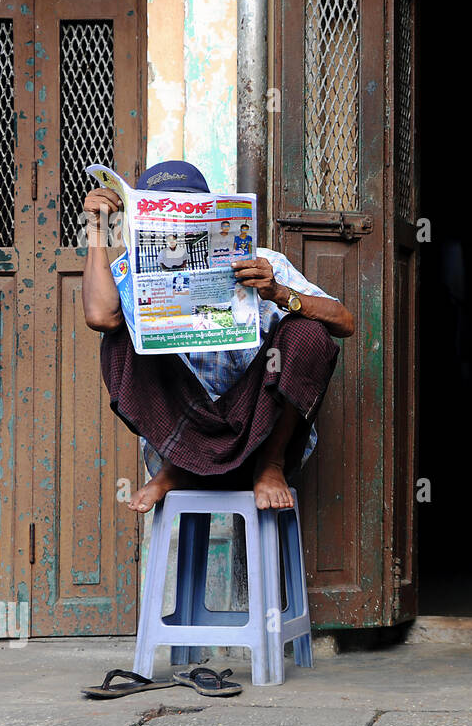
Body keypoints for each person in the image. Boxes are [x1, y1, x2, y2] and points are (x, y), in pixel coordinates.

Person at [81, 160, 355, 512]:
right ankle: (174, 468)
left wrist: (278, 293)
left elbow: (344, 323)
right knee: (119, 335)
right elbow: (100, 317)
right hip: (185, 434)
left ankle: (270, 466)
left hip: (260, 431)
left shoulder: (264, 264)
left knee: (307, 331)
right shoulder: (129, 274)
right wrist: (96, 231)